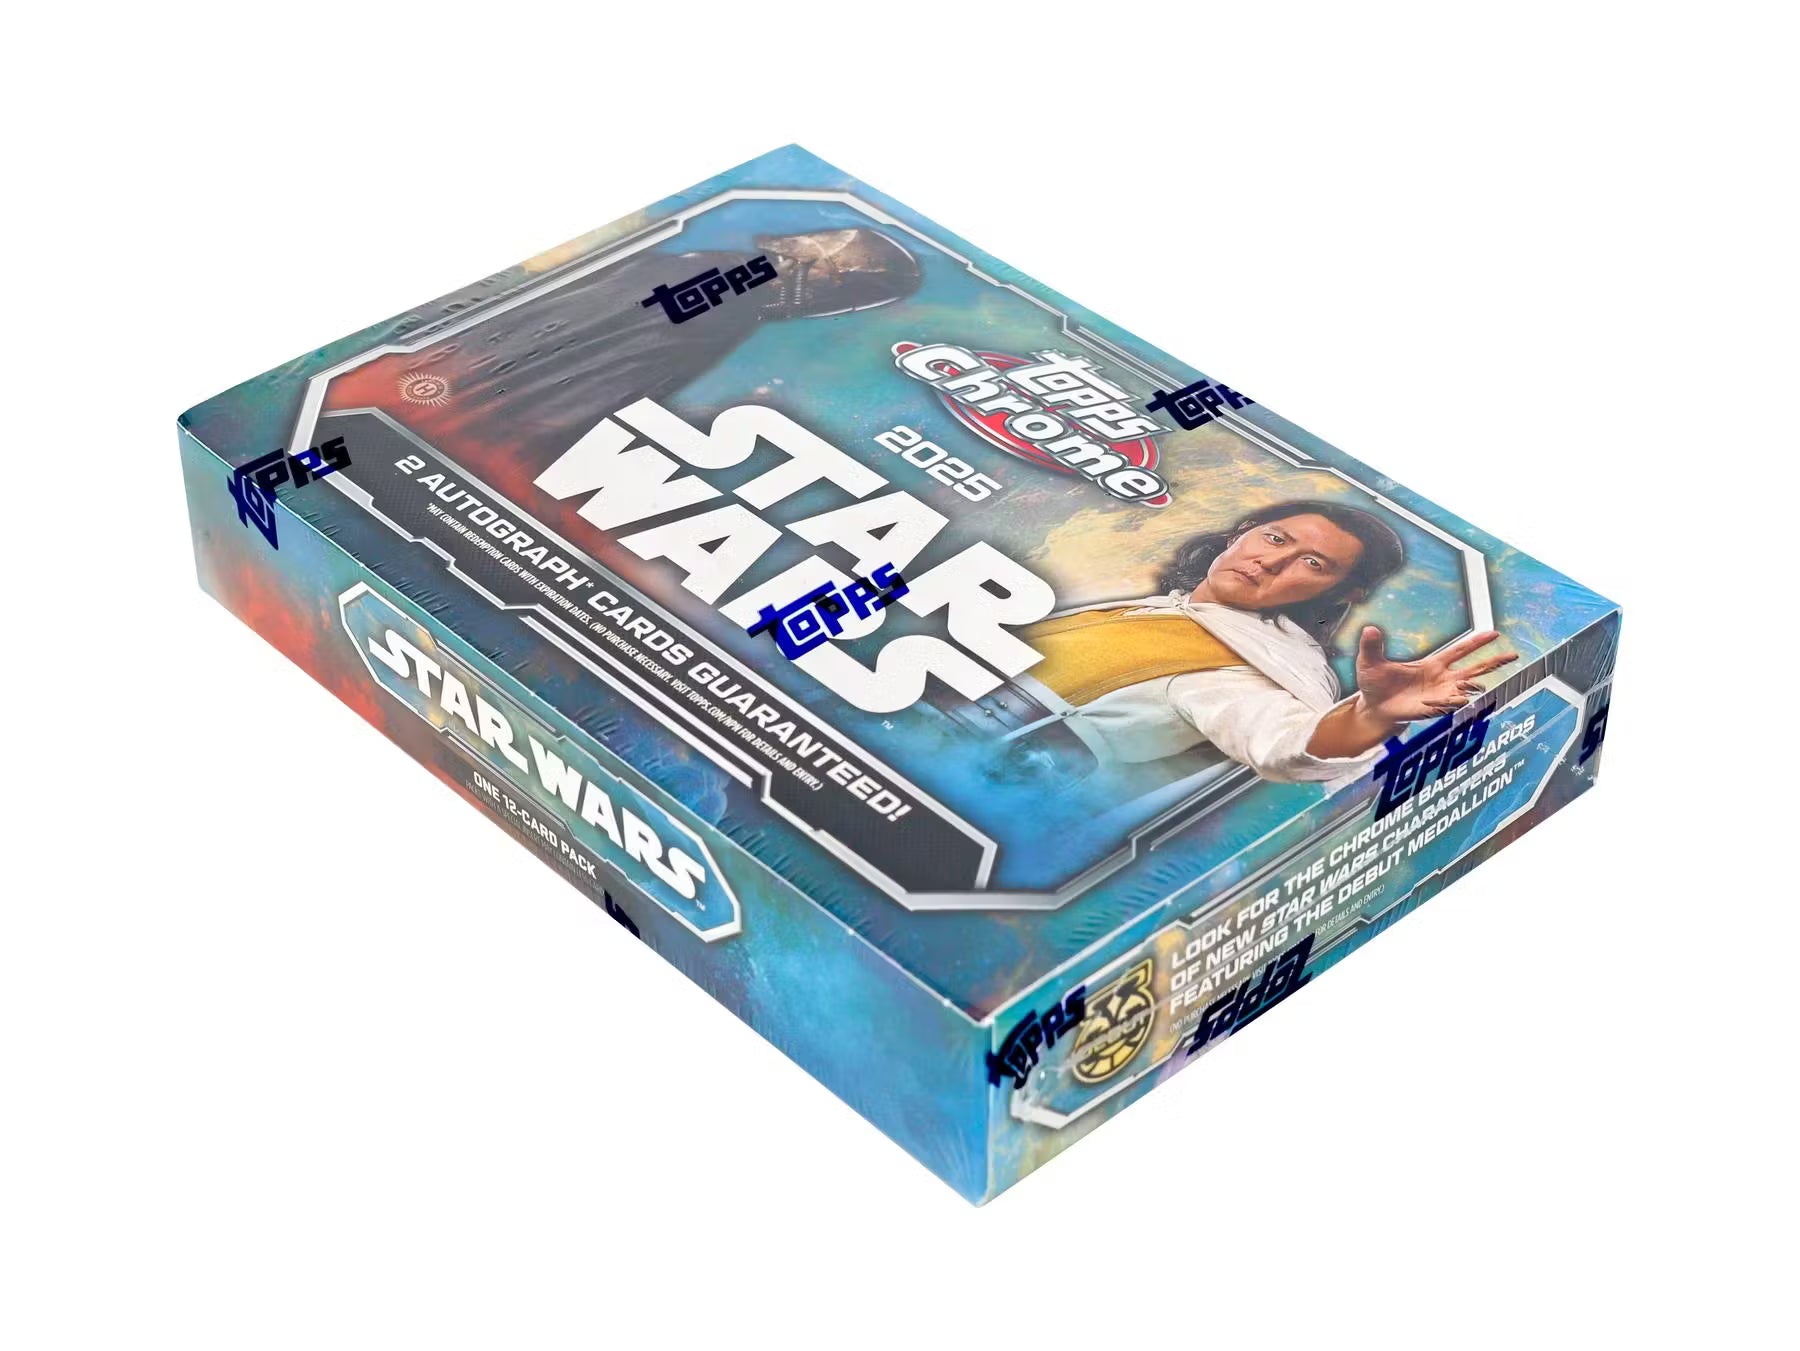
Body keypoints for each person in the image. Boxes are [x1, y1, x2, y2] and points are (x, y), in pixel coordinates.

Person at [994, 500, 1515, 785]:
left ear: (1341, 592)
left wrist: (1370, 718)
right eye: (1275, 538)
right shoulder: (1162, 609)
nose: (1272, 561)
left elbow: (1283, 741)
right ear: (1240, 534)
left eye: (1312, 563)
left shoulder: (1259, 665)